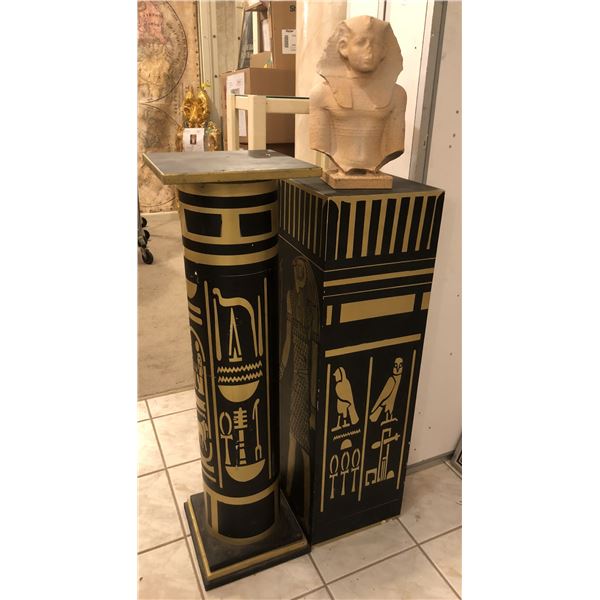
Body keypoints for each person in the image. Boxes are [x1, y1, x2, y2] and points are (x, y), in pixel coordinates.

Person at [310, 15, 407, 175]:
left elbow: (394, 144)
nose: (369, 49)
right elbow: (319, 141)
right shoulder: (321, 94)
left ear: (384, 51)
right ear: (343, 47)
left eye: (376, 44)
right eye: (361, 42)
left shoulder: (397, 95)